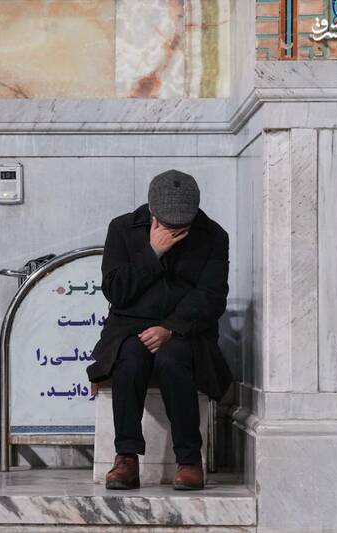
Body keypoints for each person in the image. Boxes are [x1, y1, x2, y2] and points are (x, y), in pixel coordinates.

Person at [86, 169, 233, 491]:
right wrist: (153, 252)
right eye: (169, 224)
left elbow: (211, 296)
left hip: (185, 330)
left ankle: (189, 460)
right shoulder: (122, 229)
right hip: (129, 328)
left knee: (172, 360)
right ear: (152, 210)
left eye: (183, 225)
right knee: (129, 358)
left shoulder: (213, 236)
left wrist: (171, 328)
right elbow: (116, 291)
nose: (176, 231)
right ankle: (126, 457)